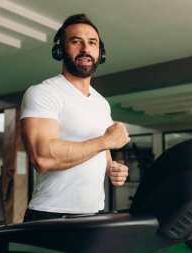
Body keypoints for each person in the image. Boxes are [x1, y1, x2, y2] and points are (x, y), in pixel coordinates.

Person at [20, 14, 130, 221]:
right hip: (50, 213)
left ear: (100, 53)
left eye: (92, 43)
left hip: (93, 213)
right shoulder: (44, 93)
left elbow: (101, 150)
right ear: (60, 50)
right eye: (76, 41)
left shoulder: (101, 103)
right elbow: (42, 157)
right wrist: (106, 140)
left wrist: (111, 167)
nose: (85, 49)